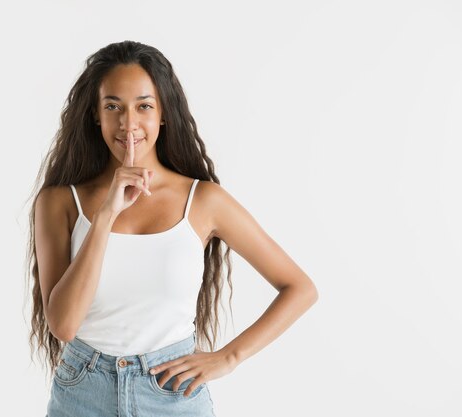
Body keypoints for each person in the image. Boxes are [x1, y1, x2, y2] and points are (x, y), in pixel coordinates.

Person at [25, 40, 318, 416]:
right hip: (83, 392)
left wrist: (228, 357)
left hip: (172, 391)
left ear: (163, 114)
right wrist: (105, 216)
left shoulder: (204, 201)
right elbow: (63, 326)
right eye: (113, 106)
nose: (128, 124)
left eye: (143, 106)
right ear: (95, 115)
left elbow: (300, 288)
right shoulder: (59, 202)